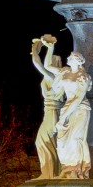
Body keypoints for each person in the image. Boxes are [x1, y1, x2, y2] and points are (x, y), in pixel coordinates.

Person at [33, 46, 93, 178]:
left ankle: (77, 170)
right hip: (67, 108)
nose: (67, 58)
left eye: (70, 57)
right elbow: (47, 65)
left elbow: (78, 98)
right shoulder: (65, 72)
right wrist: (50, 47)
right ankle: (67, 169)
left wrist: (63, 117)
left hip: (80, 109)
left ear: (77, 61)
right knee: (62, 141)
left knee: (76, 139)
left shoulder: (83, 77)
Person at [30, 35, 62, 179]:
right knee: (50, 144)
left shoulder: (53, 77)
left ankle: (49, 173)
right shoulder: (54, 78)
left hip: (52, 113)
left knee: (42, 141)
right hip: (52, 113)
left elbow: (38, 63)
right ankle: (53, 172)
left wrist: (41, 49)